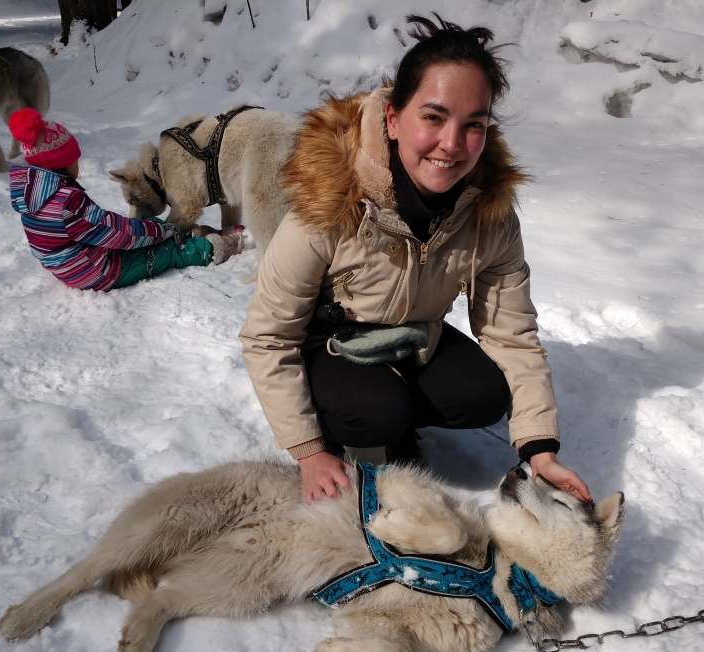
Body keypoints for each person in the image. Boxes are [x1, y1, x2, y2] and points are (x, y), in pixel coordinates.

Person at [239, 15, 592, 503]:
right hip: (329, 345)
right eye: (433, 117)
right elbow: (268, 336)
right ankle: (359, 419)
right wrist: (309, 450)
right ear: (392, 119)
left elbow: (512, 336)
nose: (452, 144)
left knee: (484, 394)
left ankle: (391, 407)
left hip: (411, 337)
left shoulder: (487, 212)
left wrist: (539, 449)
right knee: (376, 411)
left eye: (474, 125)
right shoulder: (328, 205)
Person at [7, 108, 246, 291]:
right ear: (61, 163)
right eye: (74, 158)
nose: (77, 163)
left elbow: (96, 227)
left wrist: (155, 228)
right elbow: (115, 233)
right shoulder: (66, 201)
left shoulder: (33, 192)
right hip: (99, 271)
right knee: (170, 253)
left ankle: (187, 232)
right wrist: (158, 232)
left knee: (151, 229)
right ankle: (219, 246)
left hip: (68, 267)